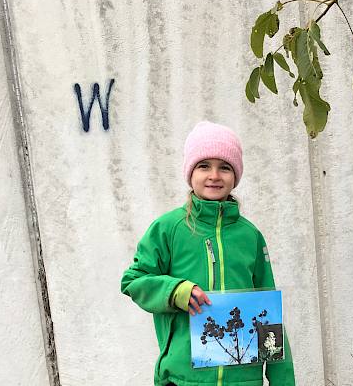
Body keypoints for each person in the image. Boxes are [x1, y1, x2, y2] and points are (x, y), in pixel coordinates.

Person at [121, 121, 295, 386]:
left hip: (243, 380)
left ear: (235, 175)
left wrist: (283, 381)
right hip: (184, 379)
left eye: (224, 167)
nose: (214, 175)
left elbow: (269, 314)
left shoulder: (250, 236)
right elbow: (133, 281)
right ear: (190, 173)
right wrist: (176, 290)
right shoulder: (169, 229)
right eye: (204, 166)